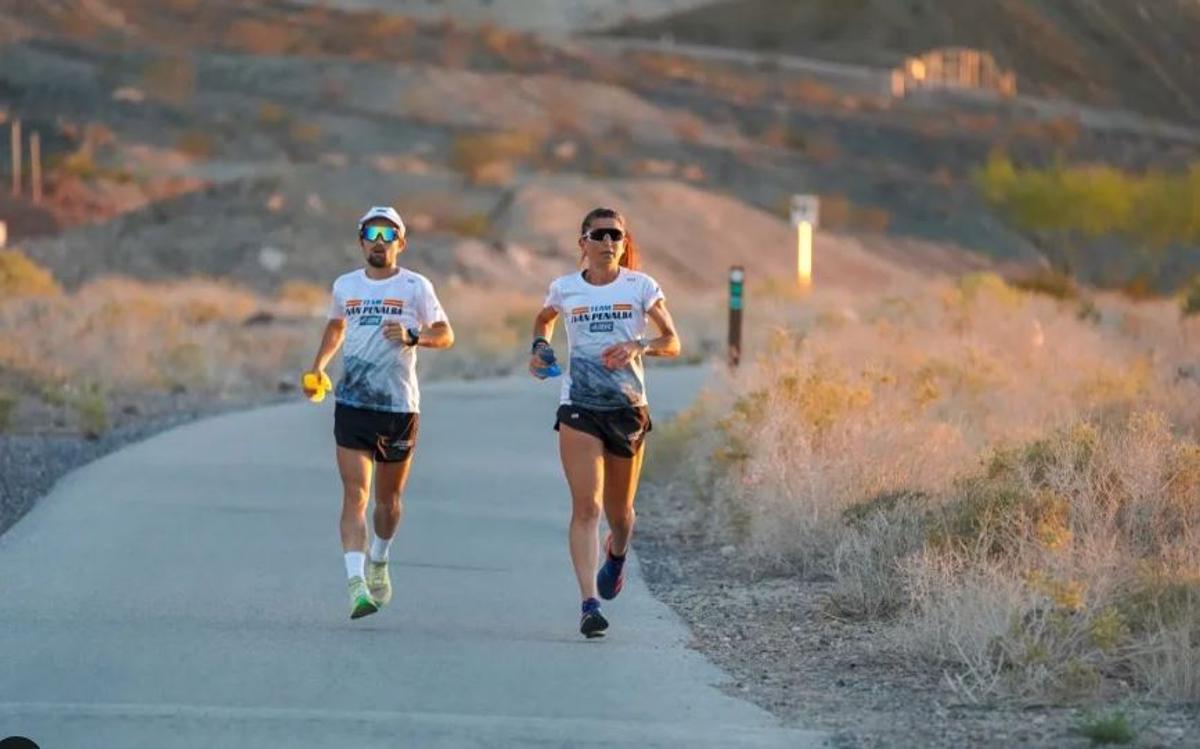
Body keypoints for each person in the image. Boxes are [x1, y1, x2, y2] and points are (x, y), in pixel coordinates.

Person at [529, 207, 681, 637]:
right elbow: (544, 318)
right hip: (579, 405)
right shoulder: (564, 288)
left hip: (628, 408)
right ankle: (588, 604)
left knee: (621, 514)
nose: (609, 242)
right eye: (600, 235)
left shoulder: (641, 286)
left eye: (616, 235)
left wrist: (640, 346)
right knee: (587, 507)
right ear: (583, 243)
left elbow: (672, 341)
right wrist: (541, 346)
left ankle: (616, 553)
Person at [303, 206, 454, 619]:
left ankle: (380, 559)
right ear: (361, 240)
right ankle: (356, 586)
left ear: (401, 243)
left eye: (389, 234)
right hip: (352, 403)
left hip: (399, 407)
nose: (379, 241)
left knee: (388, 503)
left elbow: (445, 333)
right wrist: (318, 367)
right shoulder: (345, 285)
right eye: (372, 232)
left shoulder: (415, 286)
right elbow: (336, 326)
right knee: (355, 495)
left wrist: (413, 335)